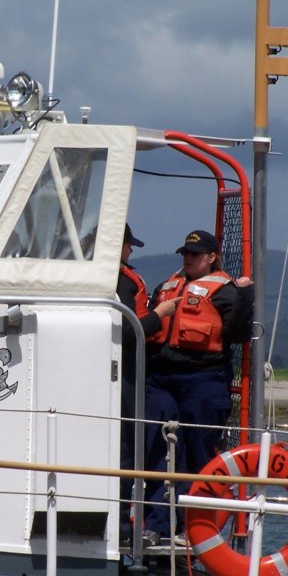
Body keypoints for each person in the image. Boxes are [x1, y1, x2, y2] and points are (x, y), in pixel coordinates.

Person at [141, 229, 254, 544]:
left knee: (198, 452)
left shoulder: (227, 292)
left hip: (204, 380)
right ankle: (157, 524)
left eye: (195, 254)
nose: (189, 259)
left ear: (212, 257)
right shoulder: (166, 288)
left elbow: (236, 333)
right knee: (157, 450)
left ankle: (196, 527)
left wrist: (245, 297)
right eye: (185, 254)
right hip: (161, 379)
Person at [116, 223, 176, 542]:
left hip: (136, 371)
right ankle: (124, 530)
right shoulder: (120, 283)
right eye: (128, 245)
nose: (131, 251)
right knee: (126, 449)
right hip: (124, 372)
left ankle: (128, 525)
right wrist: (162, 313)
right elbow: (127, 332)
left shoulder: (124, 278)